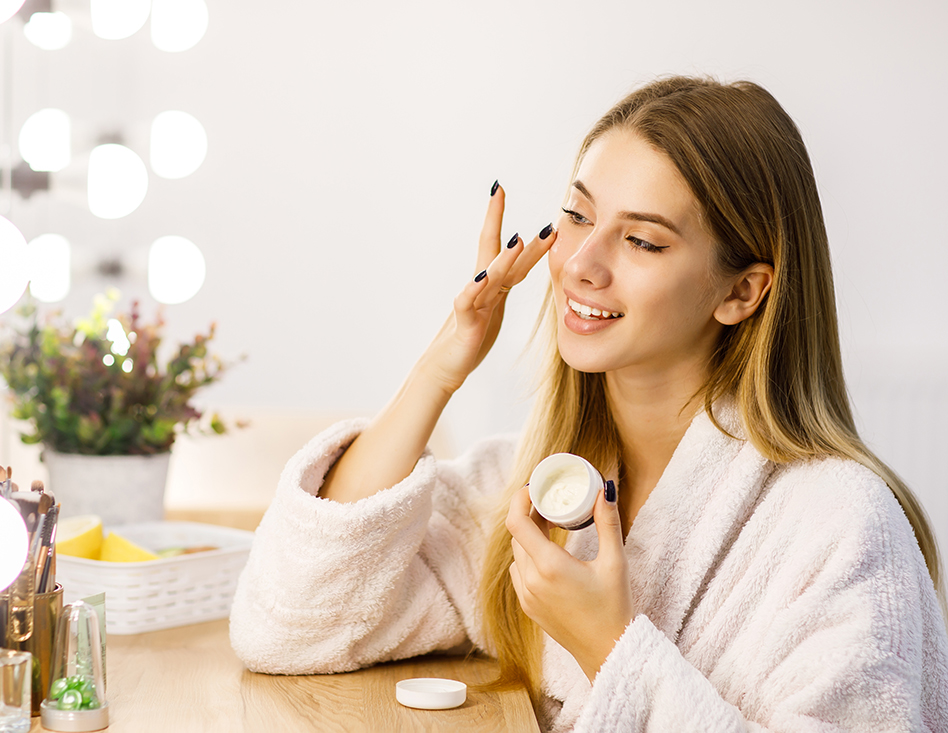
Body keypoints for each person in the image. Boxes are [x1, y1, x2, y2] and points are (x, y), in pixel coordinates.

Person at [229, 76, 948, 731]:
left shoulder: (841, 526)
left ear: (741, 291)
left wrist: (608, 645)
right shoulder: (539, 489)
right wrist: (444, 363)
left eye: (641, 240)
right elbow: (294, 622)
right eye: (576, 214)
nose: (580, 263)